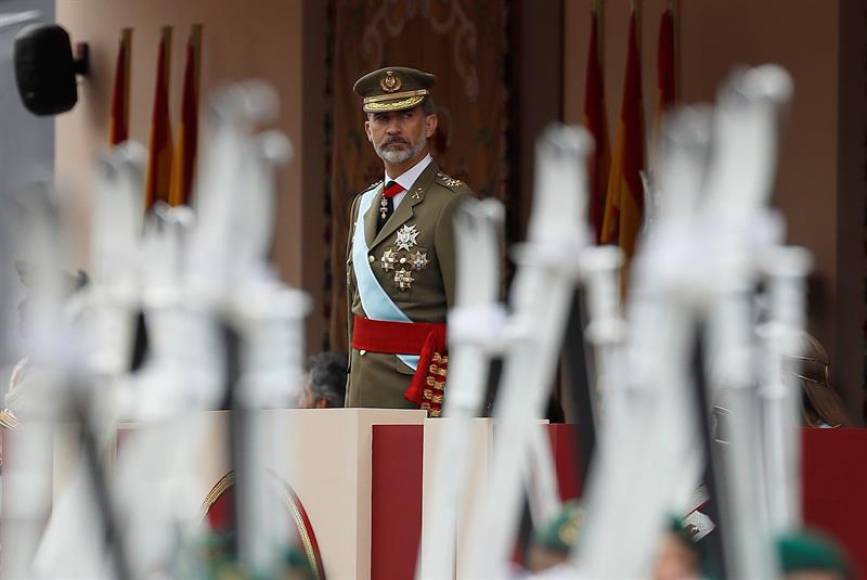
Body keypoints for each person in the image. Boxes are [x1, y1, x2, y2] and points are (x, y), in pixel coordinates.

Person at [345, 66, 473, 416]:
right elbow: (354, 311)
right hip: (363, 394)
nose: (394, 129)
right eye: (382, 118)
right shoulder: (364, 204)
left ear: (430, 125)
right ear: (368, 130)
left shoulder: (452, 203)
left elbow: (470, 318)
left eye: (406, 115)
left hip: (423, 396)